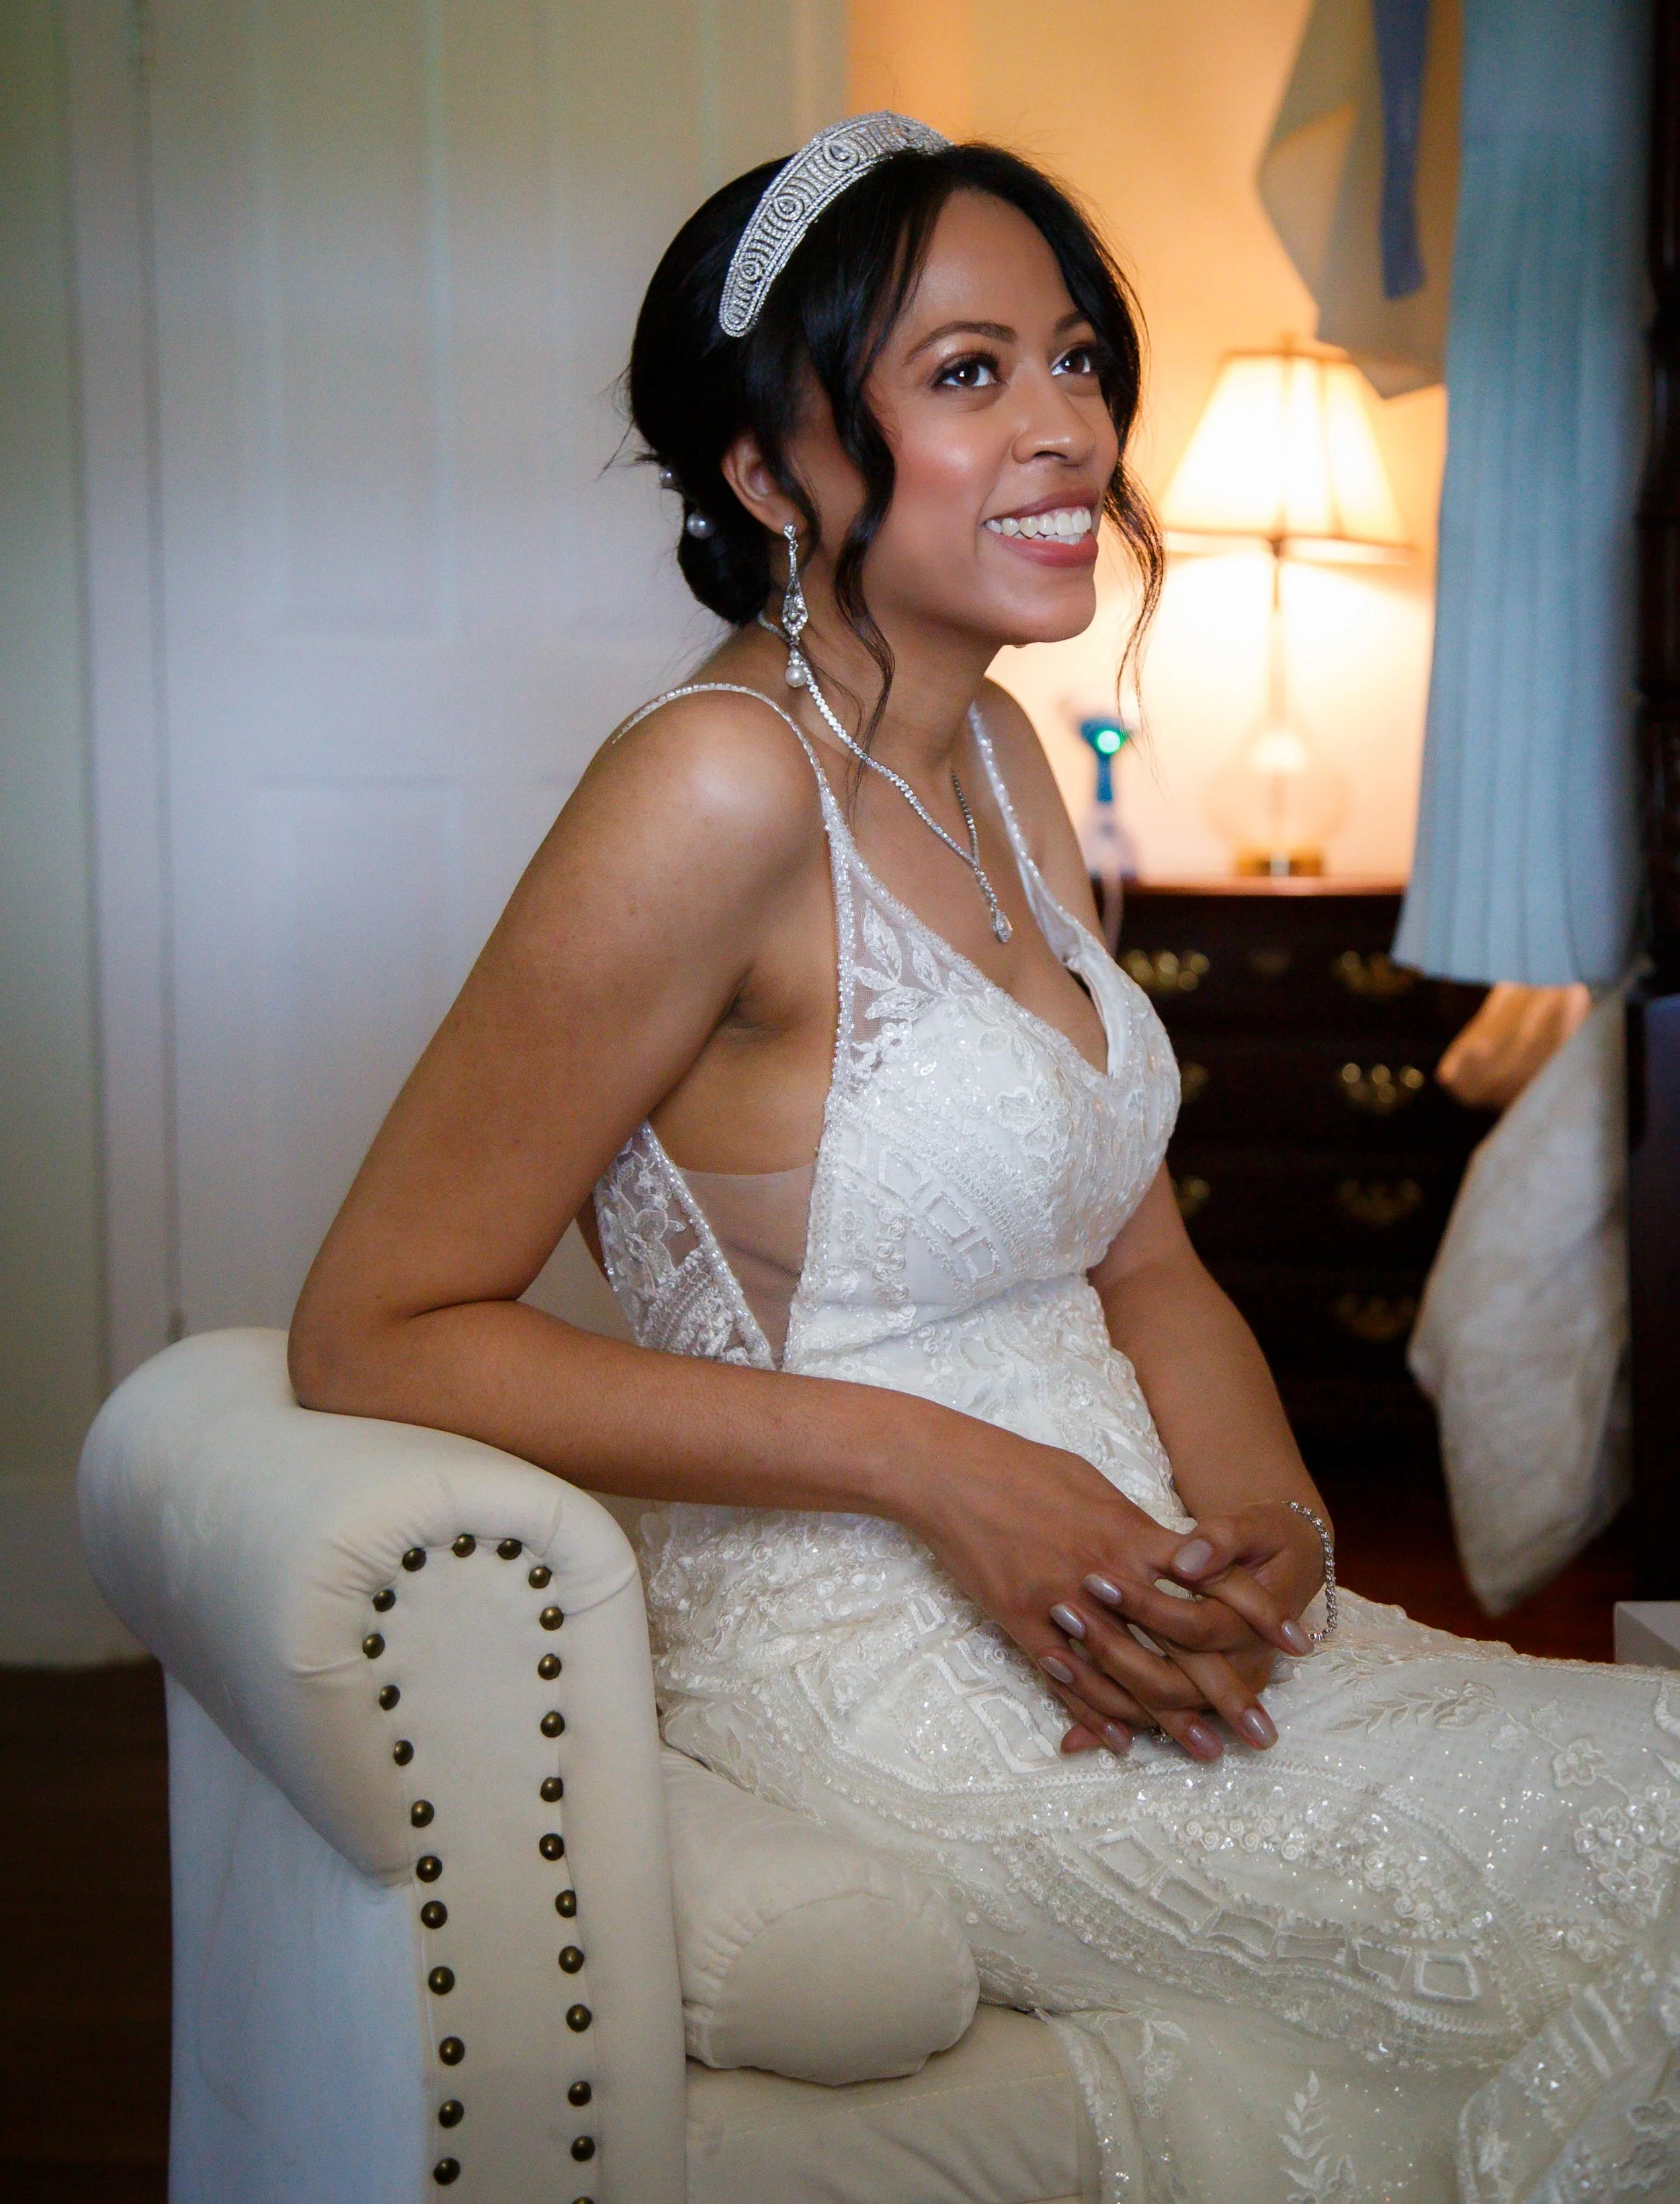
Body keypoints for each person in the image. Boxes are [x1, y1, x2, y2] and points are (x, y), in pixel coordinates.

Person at [291, 115, 1680, 2202]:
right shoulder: (710, 789)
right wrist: (942, 1468)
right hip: (869, 1665)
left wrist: (1273, 1535)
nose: (1066, 430)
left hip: (1138, 1605)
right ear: (767, 473)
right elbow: (373, 1327)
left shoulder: (1006, 759)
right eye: (966, 372)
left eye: (1075, 359)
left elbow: (1144, 1268)